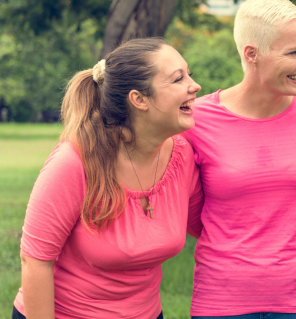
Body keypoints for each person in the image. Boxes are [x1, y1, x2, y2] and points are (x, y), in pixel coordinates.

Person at [13, 37, 203, 318]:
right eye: (177, 79)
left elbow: (209, 226)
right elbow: (35, 260)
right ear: (139, 99)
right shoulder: (74, 162)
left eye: (189, 74)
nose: (194, 85)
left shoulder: (182, 156)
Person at [184, 0, 296, 317]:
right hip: (222, 297)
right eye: (295, 52)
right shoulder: (196, 119)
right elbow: (190, 211)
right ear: (252, 54)